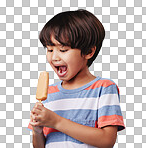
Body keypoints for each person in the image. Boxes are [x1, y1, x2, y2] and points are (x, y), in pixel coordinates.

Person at [28, 9, 125, 148]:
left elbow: (107, 140)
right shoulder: (49, 93)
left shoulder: (103, 88)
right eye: (49, 50)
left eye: (63, 50)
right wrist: (37, 131)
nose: (54, 57)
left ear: (89, 52)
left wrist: (56, 122)